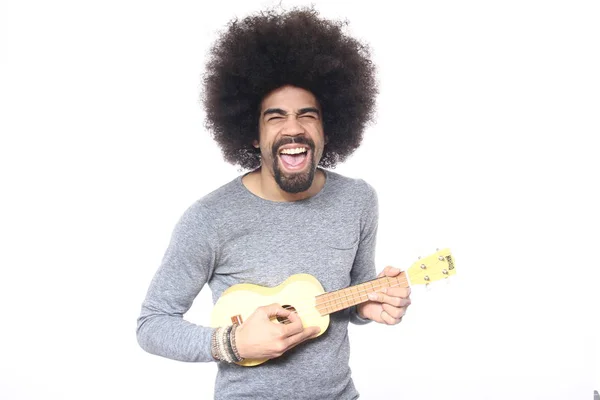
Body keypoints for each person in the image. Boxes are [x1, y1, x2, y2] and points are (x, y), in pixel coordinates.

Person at [136, 6, 411, 399]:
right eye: (275, 117)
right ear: (252, 134)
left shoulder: (358, 200)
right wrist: (232, 344)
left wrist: (371, 305)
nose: (293, 129)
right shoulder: (209, 218)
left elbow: (351, 296)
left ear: (328, 129)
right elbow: (152, 324)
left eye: (307, 115)